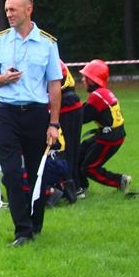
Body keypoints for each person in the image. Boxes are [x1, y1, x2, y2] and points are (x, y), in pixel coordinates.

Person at [0, 0, 62, 247]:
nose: (8, 14)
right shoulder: (0, 42)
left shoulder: (48, 43)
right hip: (6, 113)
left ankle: (35, 223)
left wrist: (54, 124)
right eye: (6, 10)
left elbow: (54, 85)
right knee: (12, 173)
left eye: (13, 9)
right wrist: (3, 78)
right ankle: (23, 231)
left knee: (37, 173)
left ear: (28, 10)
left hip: (36, 115)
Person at [77, 59, 131, 193]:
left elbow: (82, 117)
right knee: (80, 152)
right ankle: (81, 186)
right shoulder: (102, 92)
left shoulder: (97, 96)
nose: (82, 80)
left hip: (110, 137)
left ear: (91, 80)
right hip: (109, 133)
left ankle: (120, 181)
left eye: (85, 77)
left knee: (89, 167)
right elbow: (86, 110)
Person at [58, 60, 82, 202]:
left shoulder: (49, 59)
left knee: (65, 150)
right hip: (73, 106)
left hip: (66, 108)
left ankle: (71, 187)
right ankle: (76, 185)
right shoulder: (55, 59)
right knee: (72, 149)